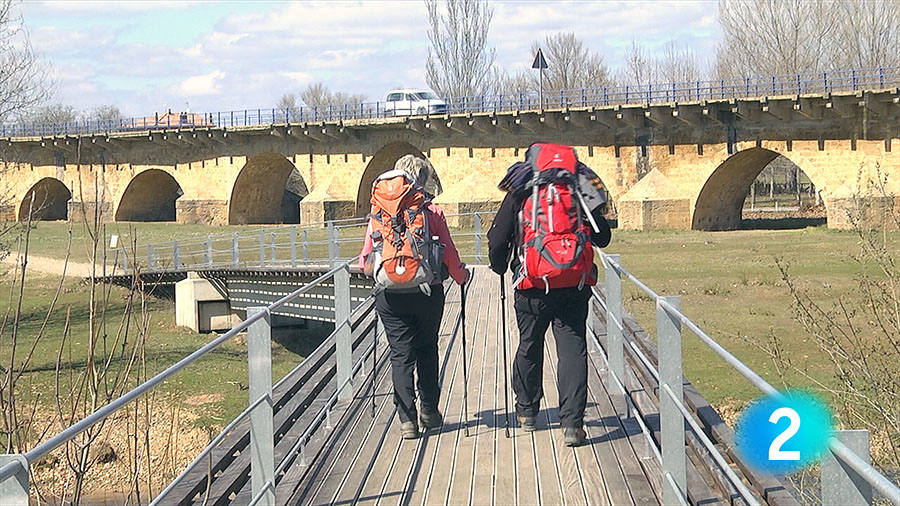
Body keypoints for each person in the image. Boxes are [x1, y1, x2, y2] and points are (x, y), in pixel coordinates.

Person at [487, 143, 611, 447]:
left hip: (532, 283)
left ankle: (527, 413)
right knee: (573, 349)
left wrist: (500, 265)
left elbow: (497, 237)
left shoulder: (521, 186)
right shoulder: (577, 183)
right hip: (573, 282)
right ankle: (572, 424)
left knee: (530, 344)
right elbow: (604, 237)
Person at [358, 154, 469, 439]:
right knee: (427, 348)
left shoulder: (378, 212)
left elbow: (364, 262)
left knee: (400, 354)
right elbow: (449, 253)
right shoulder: (431, 211)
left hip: (390, 295)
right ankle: (429, 411)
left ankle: (407, 419)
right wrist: (461, 276)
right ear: (422, 180)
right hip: (427, 291)